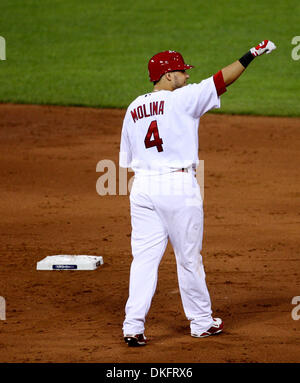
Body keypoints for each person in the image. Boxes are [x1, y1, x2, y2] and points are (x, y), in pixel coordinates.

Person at [119, 40, 276, 347]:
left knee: (144, 260)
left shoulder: (133, 107)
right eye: (181, 71)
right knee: (188, 257)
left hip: (142, 189)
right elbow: (222, 78)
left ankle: (133, 326)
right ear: (167, 76)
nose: (187, 76)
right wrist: (252, 54)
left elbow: (127, 160)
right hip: (178, 188)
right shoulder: (184, 99)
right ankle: (202, 322)